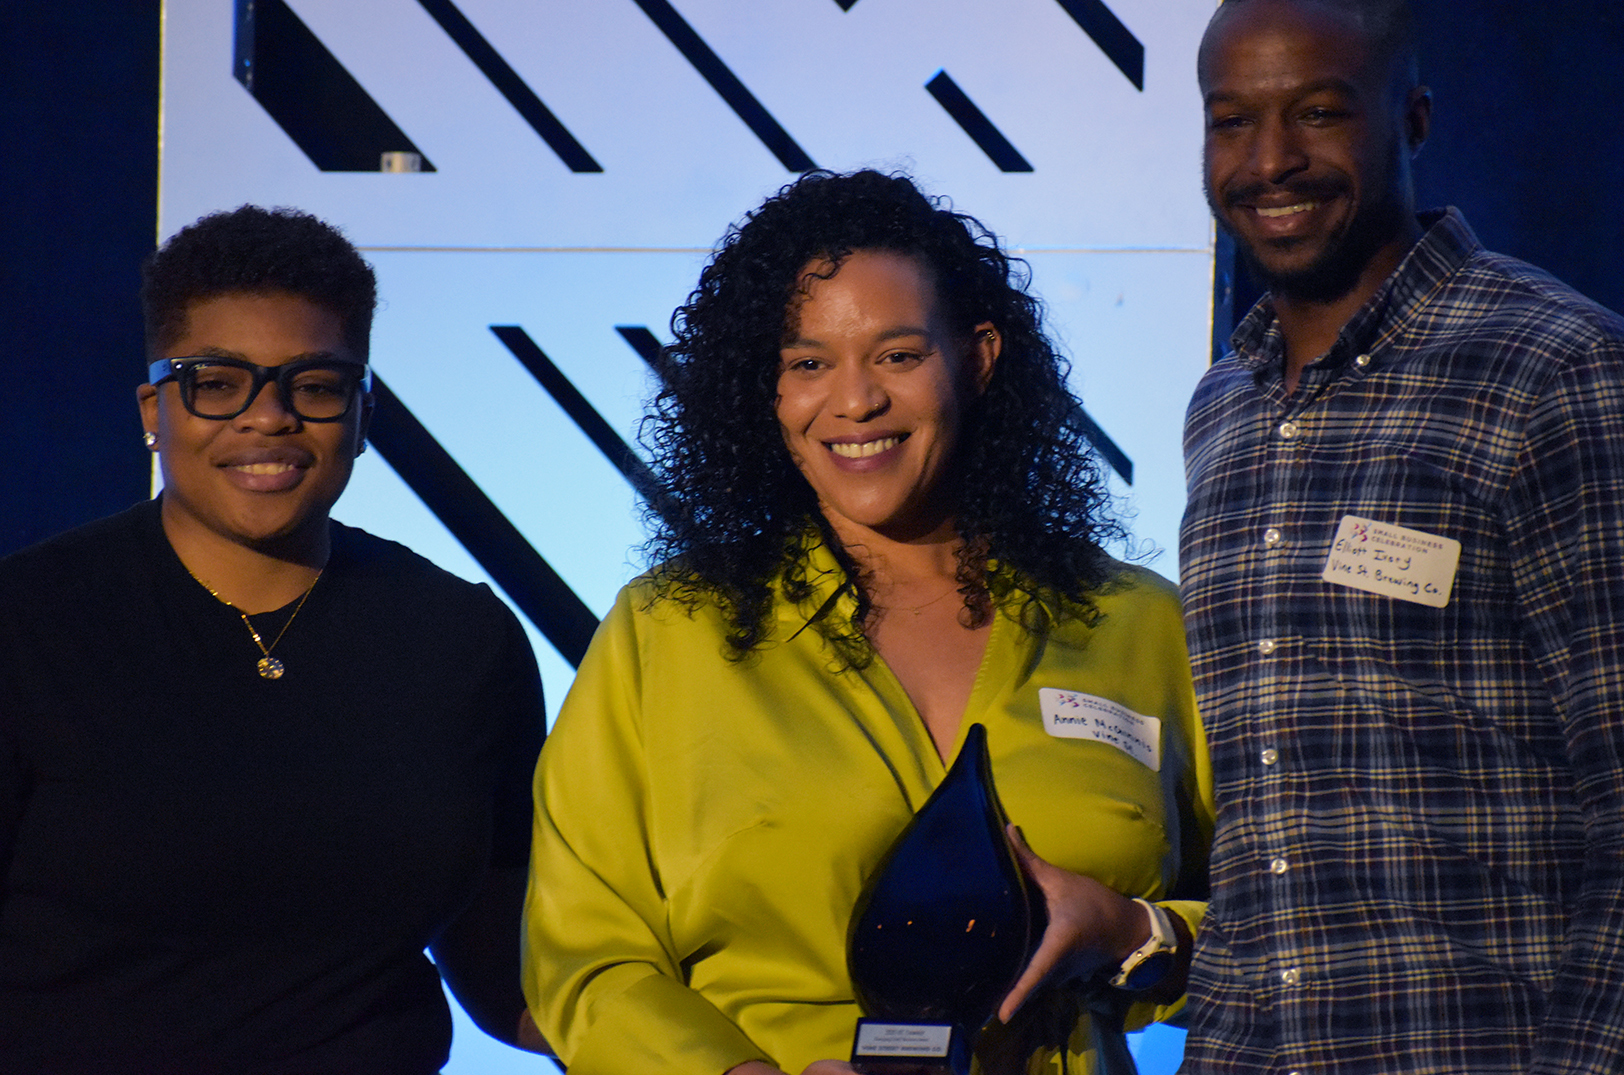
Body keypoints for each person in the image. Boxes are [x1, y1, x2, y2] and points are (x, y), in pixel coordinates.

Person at [521, 169, 1212, 1075]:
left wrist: (1131, 930)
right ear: (763, 390)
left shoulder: (1139, 622)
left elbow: (1282, 920)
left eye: (897, 355)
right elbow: (584, 961)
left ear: (978, 357)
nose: (854, 402)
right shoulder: (663, 635)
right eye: (808, 363)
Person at [0, 205, 550, 1073]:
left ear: (361, 415)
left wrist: (719, 1045)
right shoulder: (29, 625)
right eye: (217, 381)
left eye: (315, 384)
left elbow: (504, 963)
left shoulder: (461, 639)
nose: (269, 418)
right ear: (155, 409)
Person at [1180, 1, 1624, 1071]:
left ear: (1412, 120)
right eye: (1232, 121)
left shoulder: (1555, 370)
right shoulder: (1221, 409)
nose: (1270, 161)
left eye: (1318, 114)